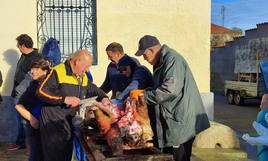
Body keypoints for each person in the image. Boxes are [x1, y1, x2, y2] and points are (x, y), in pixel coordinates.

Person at [135, 35, 210, 161]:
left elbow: (169, 90)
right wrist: (145, 91)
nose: (144, 58)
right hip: (174, 118)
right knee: (170, 156)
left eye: (144, 54)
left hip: (181, 122)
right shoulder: (162, 62)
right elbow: (160, 86)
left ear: (151, 51)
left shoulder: (172, 60)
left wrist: (144, 96)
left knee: (179, 157)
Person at [36, 49, 110, 161]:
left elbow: (93, 88)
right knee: (54, 156)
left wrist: (104, 97)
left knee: (66, 154)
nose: (87, 70)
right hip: (52, 122)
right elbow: (41, 92)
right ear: (77, 62)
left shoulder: (82, 76)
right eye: (86, 66)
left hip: (68, 121)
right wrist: (64, 99)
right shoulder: (57, 71)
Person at [8, 34, 42, 151]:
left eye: (18, 45)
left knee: (26, 121)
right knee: (20, 119)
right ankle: (22, 142)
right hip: (18, 93)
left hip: (27, 95)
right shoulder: (23, 56)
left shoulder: (36, 59)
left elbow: (31, 79)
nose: (17, 47)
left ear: (23, 45)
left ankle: (29, 144)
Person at [15, 59, 51, 161]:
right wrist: (32, 119)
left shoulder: (52, 84)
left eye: (36, 69)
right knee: (36, 155)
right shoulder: (32, 85)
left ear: (45, 71)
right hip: (34, 126)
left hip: (49, 126)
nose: (32, 71)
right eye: (32, 69)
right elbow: (18, 105)